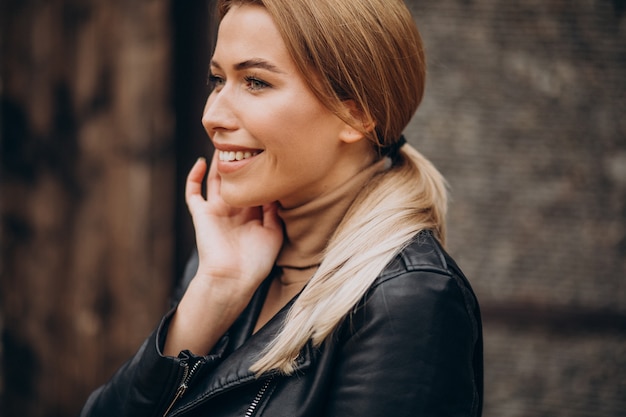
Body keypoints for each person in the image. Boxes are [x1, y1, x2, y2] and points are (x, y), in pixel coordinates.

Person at [80, 0, 483, 415]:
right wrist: (215, 291)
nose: (211, 115)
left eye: (255, 82)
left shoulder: (406, 301)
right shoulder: (226, 257)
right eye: (217, 79)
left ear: (356, 113)